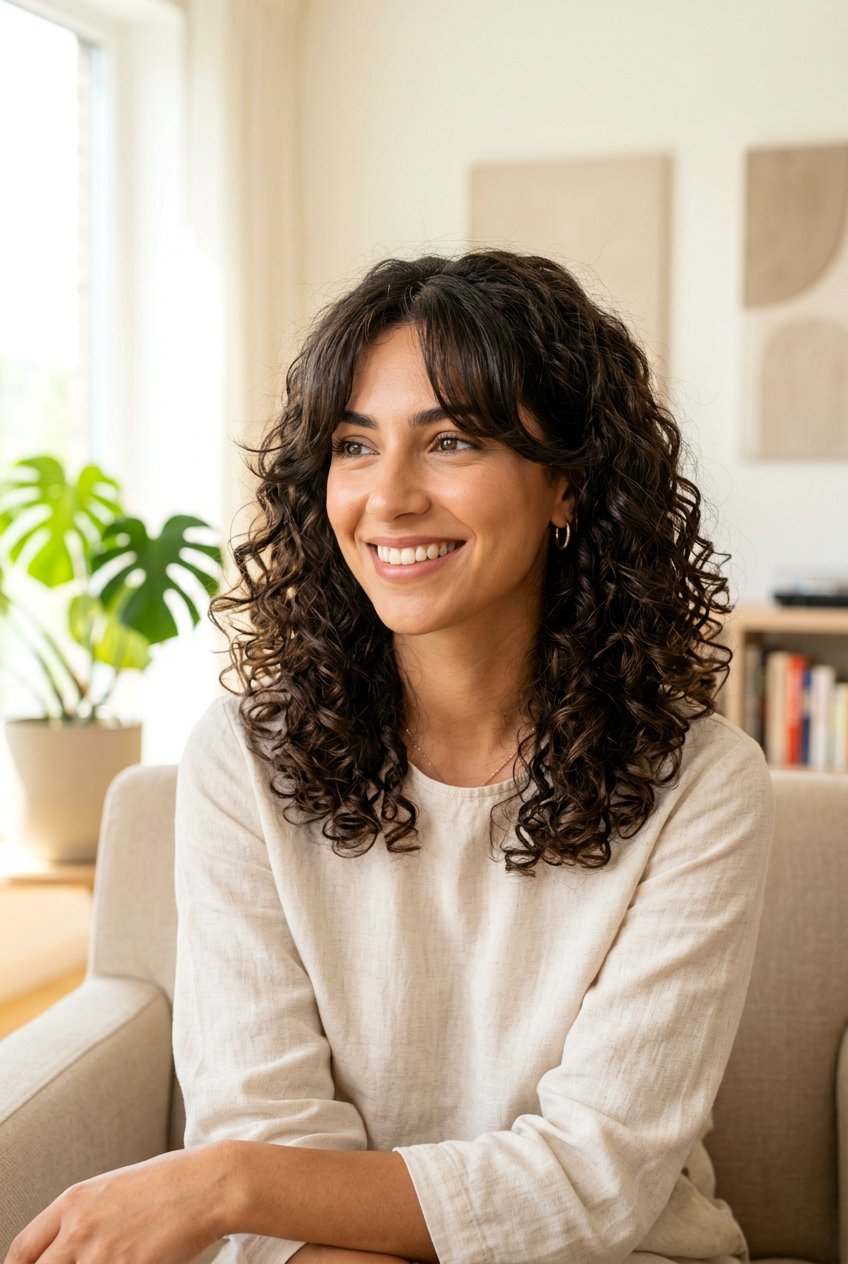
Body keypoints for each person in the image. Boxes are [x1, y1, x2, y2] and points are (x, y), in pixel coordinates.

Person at [4, 250, 773, 1264]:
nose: (389, 496)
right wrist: (264, 1183)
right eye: (353, 446)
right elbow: (268, 1121)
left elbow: (591, 1186)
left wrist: (227, 1180)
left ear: (566, 487)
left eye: (449, 440)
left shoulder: (704, 783)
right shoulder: (242, 761)